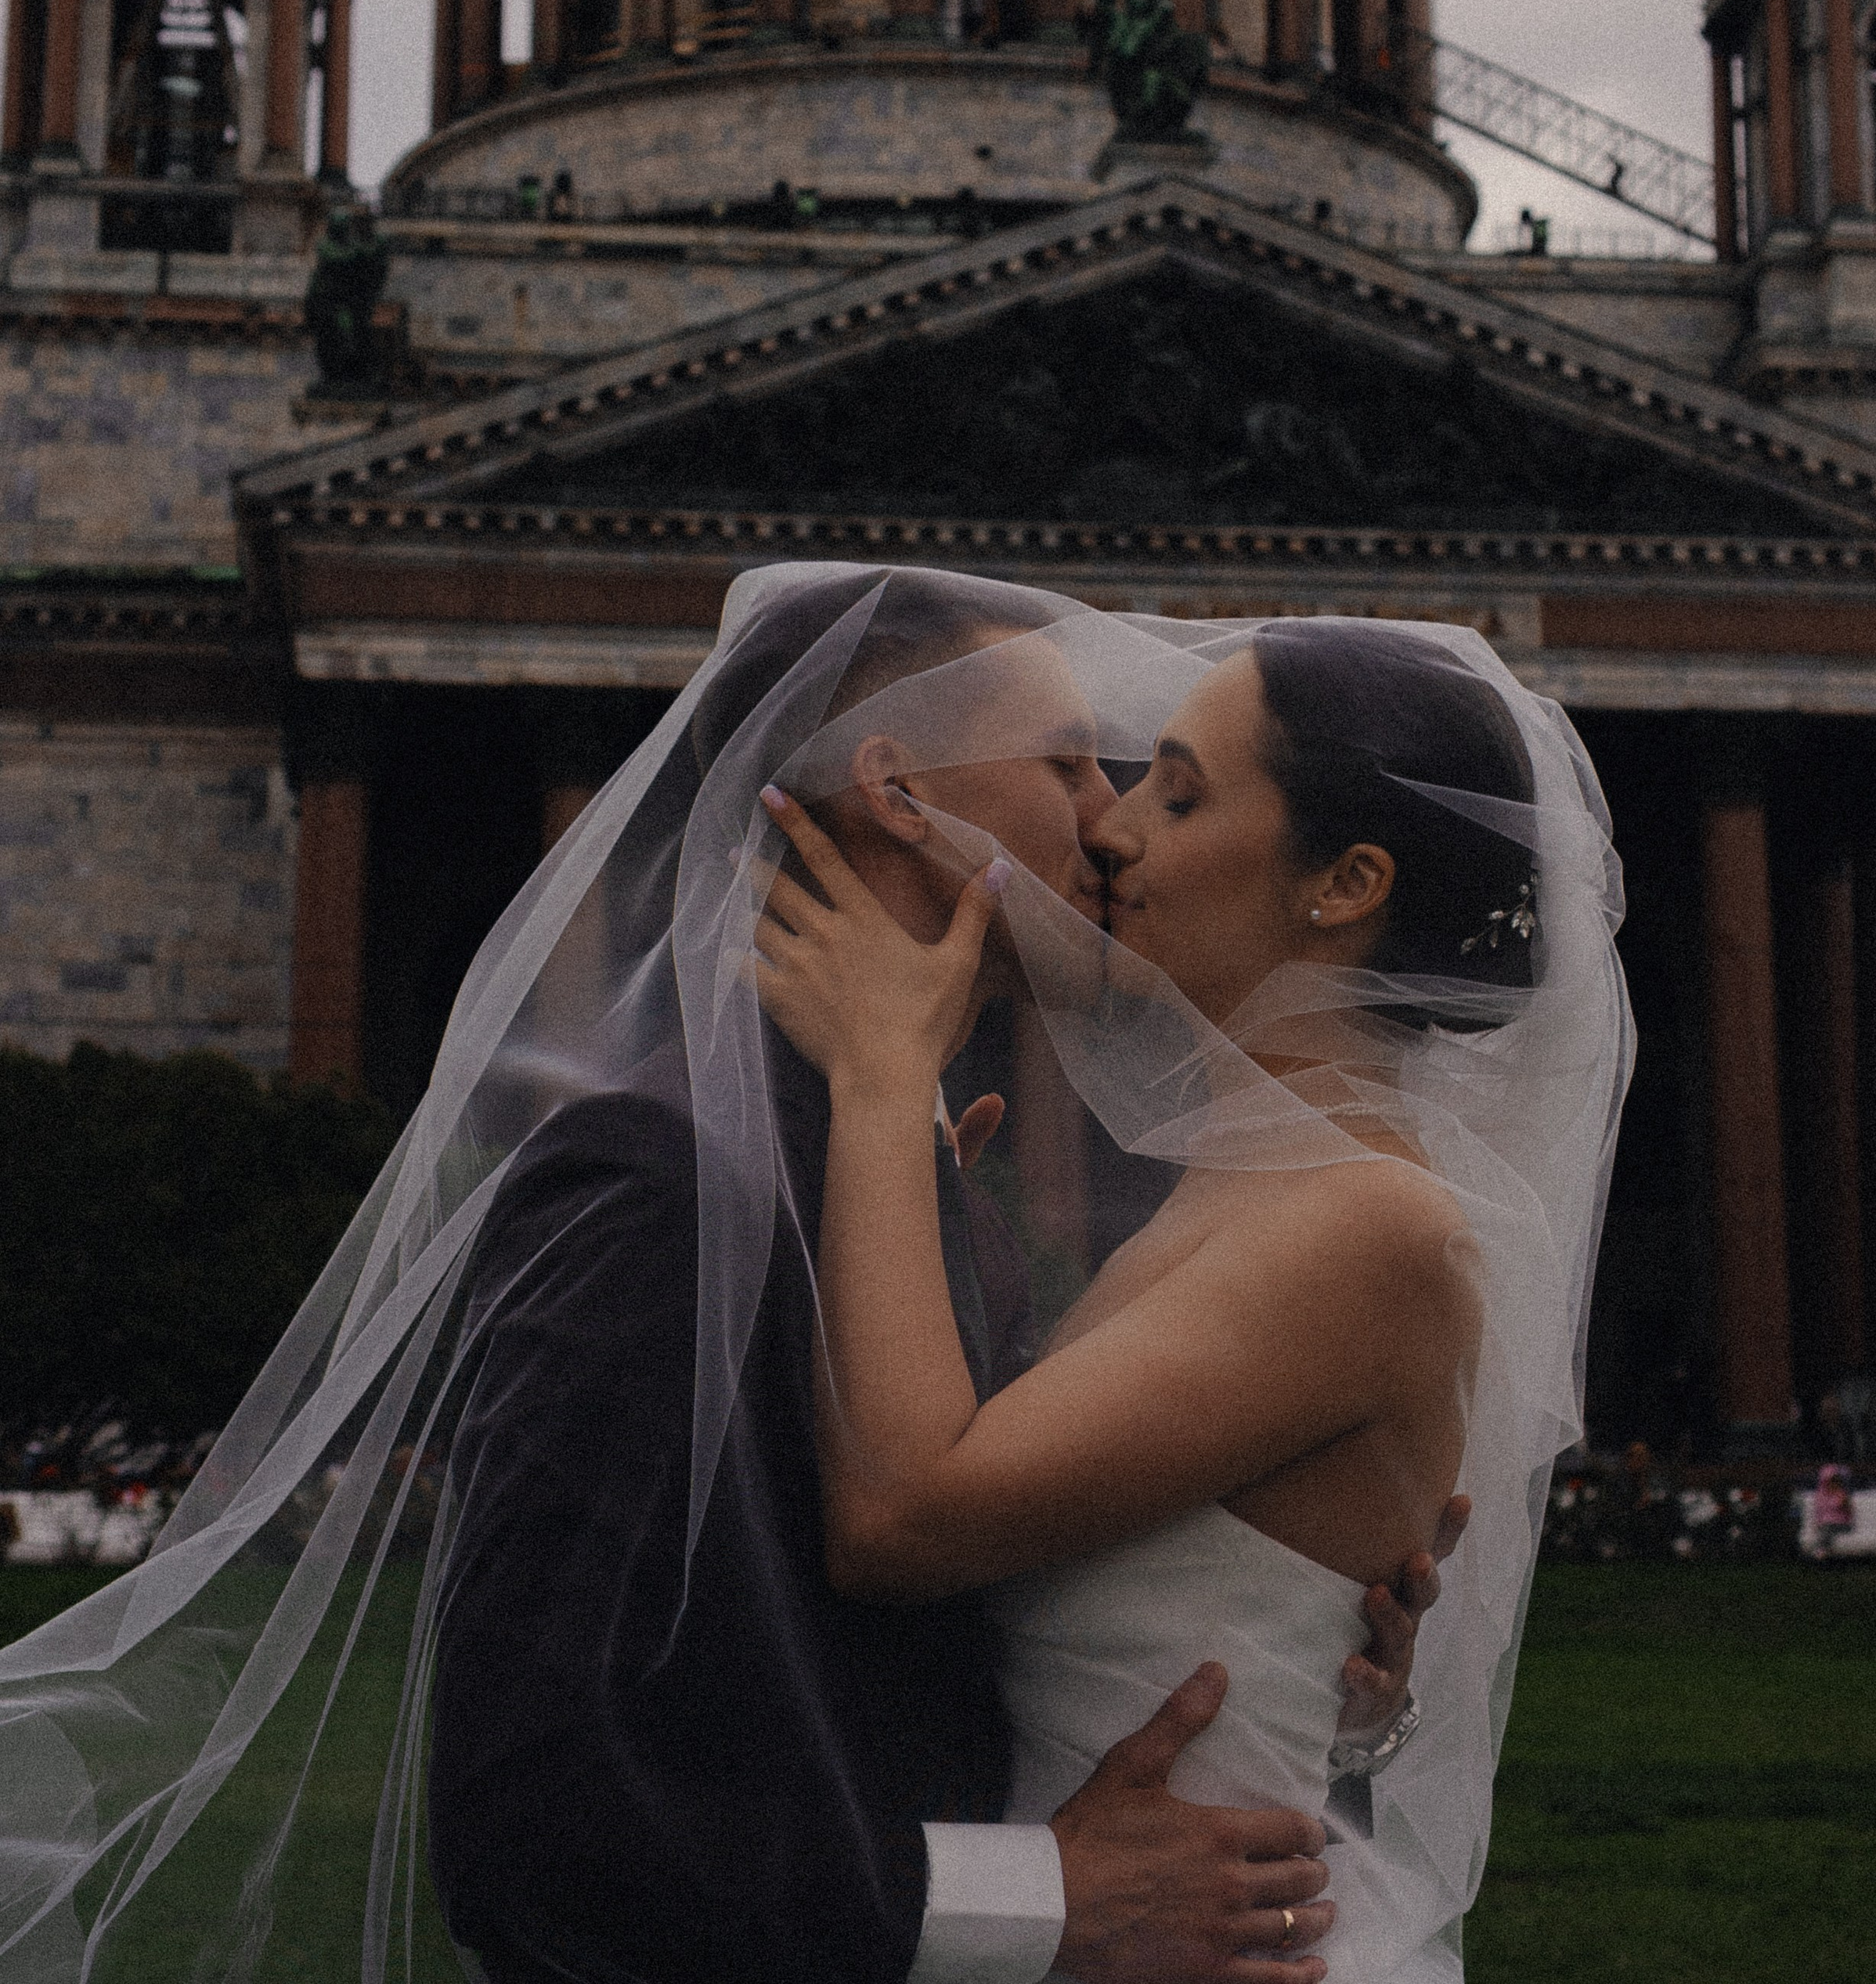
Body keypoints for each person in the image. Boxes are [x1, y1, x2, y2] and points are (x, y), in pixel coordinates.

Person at [0, 568, 1448, 1984]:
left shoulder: (919, 1187)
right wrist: (1038, 1899)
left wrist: (1302, 1641)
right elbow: (532, 1817)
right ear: (900, 792)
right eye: (1068, 764)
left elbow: (930, 1669)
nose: (1110, 821)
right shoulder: (661, 1180)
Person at [754, 612, 1631, 1979]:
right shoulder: (1247, 1195)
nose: (1108, 832)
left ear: (1344, 885)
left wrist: (879, 1076)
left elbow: (901, 1514)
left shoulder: (1370, 1224)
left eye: (1178, 794)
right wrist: (1350, 1704)